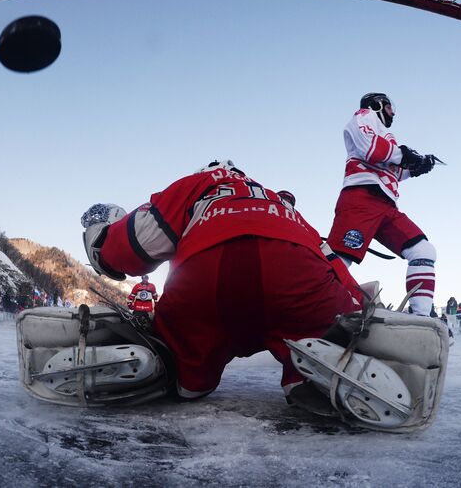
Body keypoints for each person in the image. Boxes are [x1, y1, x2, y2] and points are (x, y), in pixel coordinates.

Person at [80, 160, 362, 405]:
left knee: (181, 364)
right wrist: (360, 309)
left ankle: (163, 369)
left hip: (208, 279)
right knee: (322, 340)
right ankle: (319, 373)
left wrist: (103, 245)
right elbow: (332, 263)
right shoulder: (278, 200)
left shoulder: (199, 183)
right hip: (298, 276)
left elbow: (137, 245)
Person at [326, 93, 439, 316]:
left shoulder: (387, 135)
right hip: (362, 197)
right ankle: (312, 313)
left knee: (423, 251)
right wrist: (406, 155)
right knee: (339, 259)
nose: (393, 113)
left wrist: (415, 168)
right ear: (377, 104)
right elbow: (371, 149)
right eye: (389, 107)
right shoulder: (364, 116)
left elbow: (390, 170)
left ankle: (422, 318)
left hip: (386, 205)